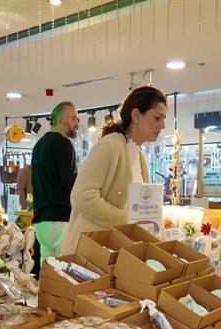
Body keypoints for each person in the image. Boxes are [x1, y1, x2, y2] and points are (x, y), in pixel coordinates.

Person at [61, 86, 167, 254]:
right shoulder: (109, 146)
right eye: (157, 118)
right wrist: (126, 220)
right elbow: (81, 197)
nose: (163, 125)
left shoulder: (139, 156)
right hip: (91, 250)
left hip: (114, 249)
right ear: (136, 115)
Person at [31, 101, 79, 263]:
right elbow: (69, 181)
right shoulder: (64, 143)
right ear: (60, 119)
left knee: (47, 267)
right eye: (73, 118)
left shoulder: (39, 145)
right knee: (63, 269)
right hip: (60, 217)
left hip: (42, 220)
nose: (76, 124)